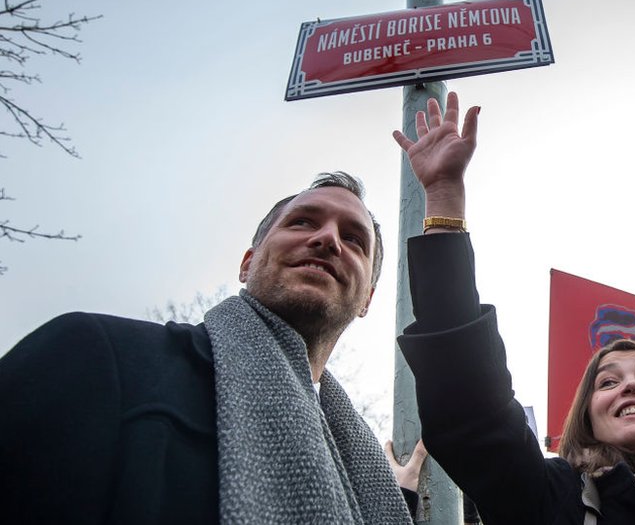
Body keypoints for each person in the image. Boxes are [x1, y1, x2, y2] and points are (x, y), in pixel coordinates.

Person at [392, 92, 635, 524]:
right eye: (608, 382)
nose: (632, 386)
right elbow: (470, 407)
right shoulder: (551, 495)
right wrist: (444, 199)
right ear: (587, 418)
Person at [0, 172, 415, 524]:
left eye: (354, 238)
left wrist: (395, 499)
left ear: (367, 301)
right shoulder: (96, 356)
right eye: (303, 222)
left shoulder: (363, 473)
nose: (328, 239)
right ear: (247, 263)